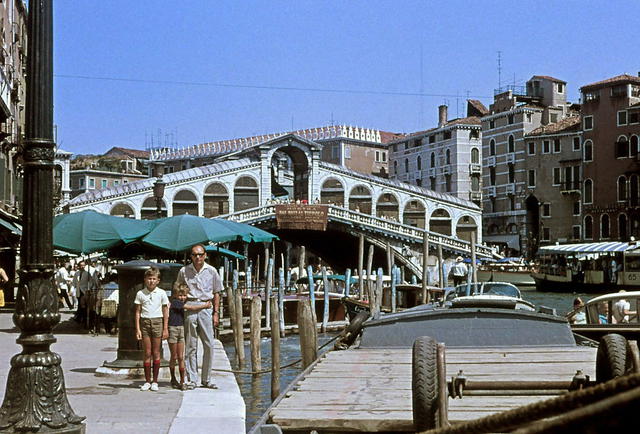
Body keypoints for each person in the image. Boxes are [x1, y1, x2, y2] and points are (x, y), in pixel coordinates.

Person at [175, 244, 222, 389]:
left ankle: (206, 379)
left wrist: (216, 313)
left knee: (209, 344)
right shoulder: (184, 271)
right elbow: (178, 289)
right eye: (195, 255)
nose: (198, 257)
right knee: (190, 345)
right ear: (191, 256)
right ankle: (192, 379)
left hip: (206, 307)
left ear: (205, 255)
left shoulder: (212, 271)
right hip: (190, 307)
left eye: (200, 254)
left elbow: (217, 293)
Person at [168, 284, 212, 390]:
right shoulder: (176, 302)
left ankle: (183, 380)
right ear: (175, 295)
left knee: (180, 356)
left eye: (184, 295)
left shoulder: (181, 302)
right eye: (180, 295)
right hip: (174, 329)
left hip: (181, 329)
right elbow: (192, 307)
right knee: (174, 356)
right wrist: (205, 305)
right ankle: (173, 377)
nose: (182, 298)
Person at [135, 267, 169, 391]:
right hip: (145, 322)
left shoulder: (161, 293)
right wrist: (138, 329)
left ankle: (155, 381)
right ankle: (147, 380)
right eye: (149, 279)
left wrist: (165, 328)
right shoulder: (140, 293)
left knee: (156, 352)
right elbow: (137, 312)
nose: (151, 281)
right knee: (147, 352)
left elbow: (165, 311)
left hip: (157, 321)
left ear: (158, 280)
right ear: (145, 280)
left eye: (154, 279)